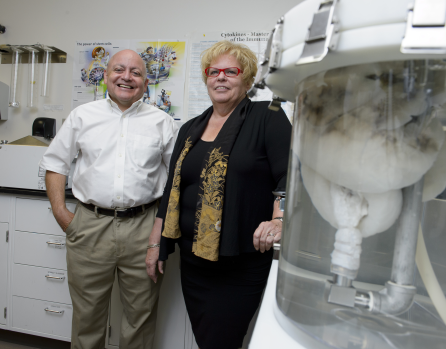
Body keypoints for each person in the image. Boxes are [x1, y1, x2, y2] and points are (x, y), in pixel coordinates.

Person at [146, 40, 292, 349]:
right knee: (206, 338)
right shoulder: (189, 129)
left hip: (239, 262)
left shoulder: (267, 116)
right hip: (193, 260)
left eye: (231, 71)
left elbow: (290, 175)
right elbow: (172, 188)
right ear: (206, 77)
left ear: (247, 78)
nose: (221, 77)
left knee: (220, 341)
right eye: (214, 71)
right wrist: (156, 244)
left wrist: (278, 221)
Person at [40, 49, 178, 349]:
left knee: (140, 318)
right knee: (88, 317)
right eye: (119, 69)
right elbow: (55, 165)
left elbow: (176, 180)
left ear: (145, 81)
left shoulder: (162, 123)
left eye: (136, 72)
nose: (126, 77)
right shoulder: (81, 116)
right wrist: (63, 215)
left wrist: (160, 232)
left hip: (144, 228)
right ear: (105, 75)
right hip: (90, 225)